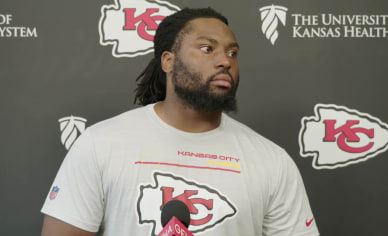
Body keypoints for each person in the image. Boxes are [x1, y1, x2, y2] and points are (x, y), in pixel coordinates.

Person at [41, 7, 319, 236]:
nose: (225, 61)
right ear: (168, 61)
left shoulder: (271, 161)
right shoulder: (100, 144)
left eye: (233, 53)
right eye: (208, 48)